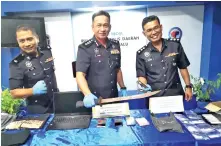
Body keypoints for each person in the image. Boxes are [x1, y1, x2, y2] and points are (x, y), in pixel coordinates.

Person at [136, 15, 193, 105]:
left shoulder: (175, 45)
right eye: (149, 30)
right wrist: (143, 87)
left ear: (161, 27)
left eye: (156, 28)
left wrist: (188, 86)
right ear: (144, 33)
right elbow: (141, 76)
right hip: (155, 98)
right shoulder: (141, 54)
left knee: (178, 119)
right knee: (156, 119)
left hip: (176, 96)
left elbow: (183, 67)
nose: (153, 32)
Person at [76, 10, 127, 108]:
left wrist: (123, 87)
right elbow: (80, 75)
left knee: (116, 123)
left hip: (114, 99)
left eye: (105, 25)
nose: (102, 29)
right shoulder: (85, 48)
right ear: (93, 27)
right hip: (95, 100)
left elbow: (117, 69)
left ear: (110, 27)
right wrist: (87, 94)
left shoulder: (115, 45)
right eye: (99, 25)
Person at [9, 25, 58, 114]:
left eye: (29, 39)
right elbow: (13, 93)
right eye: (22, 41)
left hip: (57, 103)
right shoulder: (16, 64)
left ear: (37, 38)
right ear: (18, 42)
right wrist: (32, 91)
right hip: (38, 110)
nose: (26, 44)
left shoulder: (47, 52)